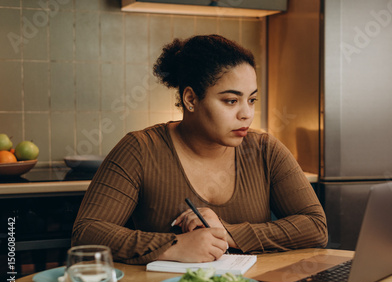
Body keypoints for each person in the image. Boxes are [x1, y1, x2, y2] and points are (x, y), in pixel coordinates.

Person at [71, 34, 328, 265]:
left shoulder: (266, 150)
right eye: (231, 101)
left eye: (251, 100)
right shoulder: (140, 149)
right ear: (191, 99)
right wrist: (172, 246)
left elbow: (315, 226)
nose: (247, 114)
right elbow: (87, 232)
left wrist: (228, 233)